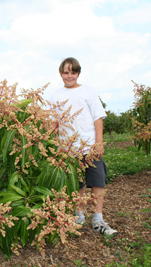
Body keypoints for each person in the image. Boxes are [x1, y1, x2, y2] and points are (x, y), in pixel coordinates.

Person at [49, 57, 117, 236]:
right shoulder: (55, 95)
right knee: (76, 185)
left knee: (98, 183)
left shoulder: (88, 91)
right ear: (61, 73)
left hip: (89, 147)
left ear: (78, 73)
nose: (69, 76)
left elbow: (98, 118)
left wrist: (99, 143)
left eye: (73, 72)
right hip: (68, 150)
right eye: (66, 72)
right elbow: (52, 123)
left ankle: (98, 220)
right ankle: (78, 216)